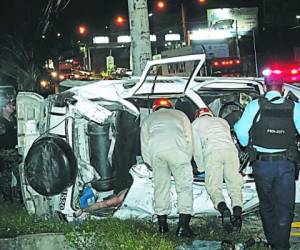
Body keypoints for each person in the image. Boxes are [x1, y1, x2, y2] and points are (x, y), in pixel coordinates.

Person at [234, 77, 300, 250]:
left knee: (267, 205)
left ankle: (273, 242)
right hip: (285, 164)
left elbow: (240, 130)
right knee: (285, 208)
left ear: (264, 87)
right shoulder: (294, 107)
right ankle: (281, 245)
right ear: (283, 88)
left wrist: (249, 144)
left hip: (262, 165)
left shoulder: (255, 106)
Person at [140, 98, 195, 237]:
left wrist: (150, 163)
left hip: (157, 154)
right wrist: (186, 159)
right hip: (178, 152)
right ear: (170, 107)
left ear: (154, 108)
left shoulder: (149, 119)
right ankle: (183, 226)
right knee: (184, 188)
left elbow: (144, 145)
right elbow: (189, 138)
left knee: (161, 188)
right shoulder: (180, 115)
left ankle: (162, 226)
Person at [192, 107, 244, 232]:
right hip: (231, 151)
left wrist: (200, 167)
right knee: (235, 185)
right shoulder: (222, 121)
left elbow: (196, 148)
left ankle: (224, 210)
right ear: (210, 114)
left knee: (214, 186)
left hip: (212, 152)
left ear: (198, 116)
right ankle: (237, 215)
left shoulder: (195, 124)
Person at [0, 94, 21, 202]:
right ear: (3, 107)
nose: (13, 107)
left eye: (13, 105)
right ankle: (7, 197)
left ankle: (17, 195)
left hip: (14, 151)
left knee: (19, 175)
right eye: (10, 105)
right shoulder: (1, 121)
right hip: (5, 153)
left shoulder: (15, 119)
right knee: (6, 177)